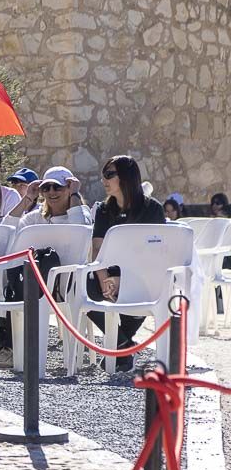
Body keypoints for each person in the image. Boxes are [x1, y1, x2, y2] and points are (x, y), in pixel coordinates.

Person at [87, 155, 166, 369]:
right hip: (109, 274)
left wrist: (122, 279)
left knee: (141, 290)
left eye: (110, 174)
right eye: (104, 174)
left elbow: (155, 253)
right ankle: (123, 344)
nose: (104, 179)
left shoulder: (152, 209)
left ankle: (119, 345)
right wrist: (104, 279)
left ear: (126, 177)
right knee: (83, 287)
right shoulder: (104, 210)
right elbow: (97, 248)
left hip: (142, 275)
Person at [2, 166, 92, 228]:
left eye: (57, 187)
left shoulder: (83, 214)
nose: (51, 192)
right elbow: (7, 230)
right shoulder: (36, 217)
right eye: (46, 188)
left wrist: (74, 194)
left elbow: (80, 231)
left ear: (70, 188)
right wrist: (28, 197)